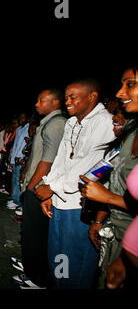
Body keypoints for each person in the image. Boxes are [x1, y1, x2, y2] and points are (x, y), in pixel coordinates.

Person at [35, 79, 116, 289]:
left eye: (73, 97)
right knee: (58, 255)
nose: (68, 101)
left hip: (80, 206)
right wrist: (51, 190)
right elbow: (62, 159)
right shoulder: (71, 122)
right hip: (61, 201)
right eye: (67, 97)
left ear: (92, 97)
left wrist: (52, 188)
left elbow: (90, 167)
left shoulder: (105, 122)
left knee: (77, 262)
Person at [78, 68, 138, 288]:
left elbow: (113, 194)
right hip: (116, 234)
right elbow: (116, 183)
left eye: (130, 84)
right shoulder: (130, 134)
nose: (120, 94)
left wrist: (107, 197)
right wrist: (99, 221)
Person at [11, 89, 66, 289]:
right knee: (30, 233)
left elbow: (48, 161)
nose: (36, 104)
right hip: (36, 185)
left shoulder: (56, 123)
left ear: (55, 102)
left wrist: (31, 187)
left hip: (40, 189)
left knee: (37, 235)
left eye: (41, 100)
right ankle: (29, 266)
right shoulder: (48, 123)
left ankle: (37, 278)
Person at [7, 112, 29, 210]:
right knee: (15, 180)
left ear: (27, 118)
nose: (21, 119)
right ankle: (15, 199)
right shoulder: (19, 129)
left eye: (23, 118)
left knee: (19, 181)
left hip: (21, 159)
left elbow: (25, 145)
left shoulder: (28, 128)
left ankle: (19, 202)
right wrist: (13, 157)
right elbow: (15, 144)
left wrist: (20, 157)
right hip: (15, 158)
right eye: (20, 118)